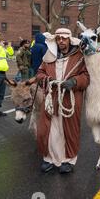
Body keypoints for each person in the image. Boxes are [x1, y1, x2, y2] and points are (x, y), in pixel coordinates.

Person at [36, 28, 90, 174]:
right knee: (48, 129)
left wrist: (74, 81)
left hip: (69, 99)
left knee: (68, 129)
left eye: (64, 38)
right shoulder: (49, 56)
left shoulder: (79, 56)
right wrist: (47, 80)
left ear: (69, 39)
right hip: (51, 97)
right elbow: (39, 73)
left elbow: (86, 76)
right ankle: (49, 159)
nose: (61, 41)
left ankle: (68, 160)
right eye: (58, 38)